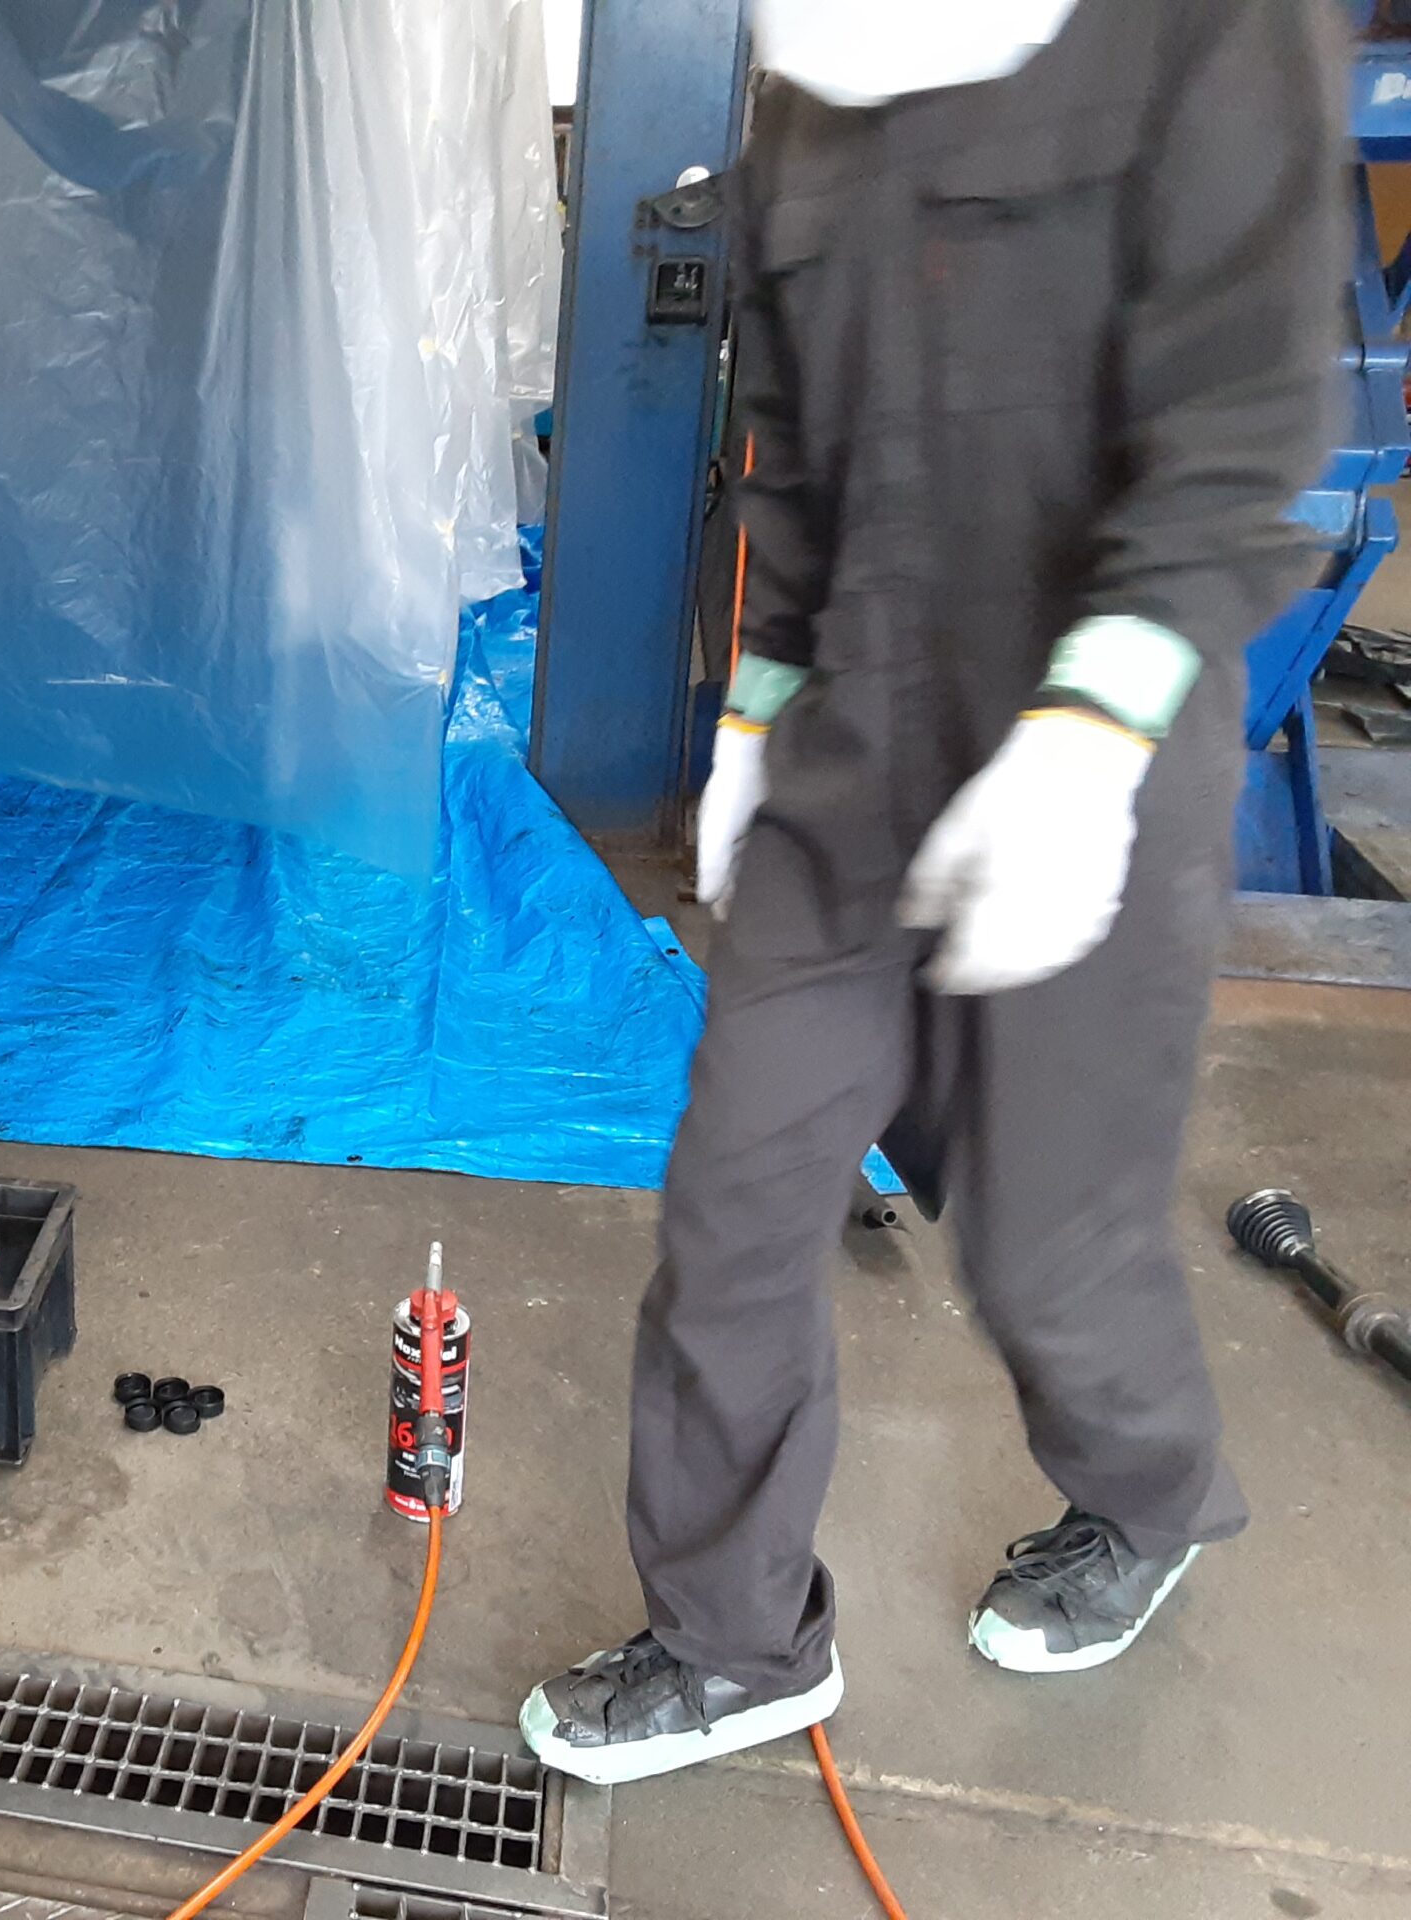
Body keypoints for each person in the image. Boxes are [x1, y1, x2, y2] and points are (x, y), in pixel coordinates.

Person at [520, 0, 1349, 1785]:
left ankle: (1150, 1496)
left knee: (1044, 1239)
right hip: (853, 757)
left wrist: (1094, 731)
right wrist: (760, 708)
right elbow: (800, 459)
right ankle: (737, 1644)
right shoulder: (816, 92)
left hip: (1097, 757)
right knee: (739, 1200)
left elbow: (1249, 419)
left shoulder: (1204, 33)